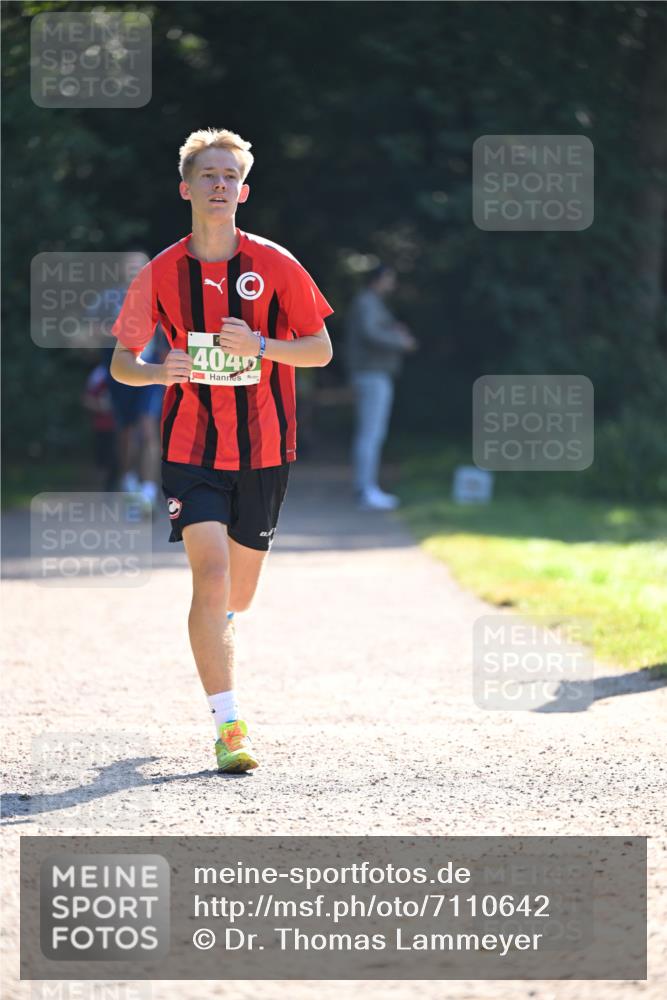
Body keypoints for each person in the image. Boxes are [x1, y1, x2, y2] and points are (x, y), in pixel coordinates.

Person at [110, 128, 333, 773]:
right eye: (206, 174)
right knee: (209, 579)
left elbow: (320, 350)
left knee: (238, 593)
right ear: (186, 188)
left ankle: (220, 629)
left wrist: (260, 347)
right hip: (190, 448)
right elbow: (124, 364)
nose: (217, 184)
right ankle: (228, 724)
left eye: (228, 175)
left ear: (243, 189)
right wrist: (162, 369)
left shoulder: (277, 265)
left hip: (266, 448)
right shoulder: (160, 273)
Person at [345, 265, 417, 510]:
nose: (392, 285)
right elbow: (370, 333)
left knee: (372, 433)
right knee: (371, 434)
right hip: (371, 374)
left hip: (374, 374)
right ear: (377, 280)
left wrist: (394, 330)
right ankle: (365, 490)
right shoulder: (367, 302)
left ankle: (366, 488)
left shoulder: (372, 302)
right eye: (389, 279)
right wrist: (401, 341)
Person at [82, 356, 117, 492]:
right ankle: (102, 490)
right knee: (102, 462)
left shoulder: (132, 369)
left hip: (120, 427)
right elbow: (86, 399)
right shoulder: (99, 374)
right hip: (102, 426)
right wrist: (102, 406)